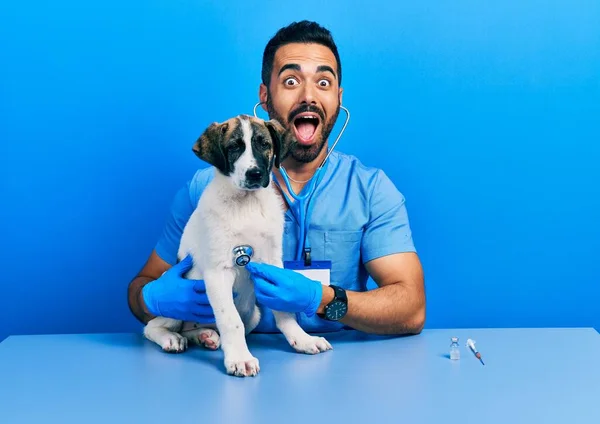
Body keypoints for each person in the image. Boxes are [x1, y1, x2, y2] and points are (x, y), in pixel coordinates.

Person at [127, 20, 425, 336]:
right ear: (265, 96)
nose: (309, 96)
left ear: (338, 98)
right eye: (292, 81)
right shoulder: (205, 189)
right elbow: (141, 290)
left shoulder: (370, 190)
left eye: (323, 83)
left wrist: (323, 300)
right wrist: (154, 300)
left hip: (334, 364)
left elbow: (411, 309)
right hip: (230, 360)